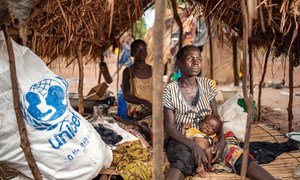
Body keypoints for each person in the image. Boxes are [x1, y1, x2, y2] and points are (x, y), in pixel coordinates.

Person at [163, 45, 275, 180]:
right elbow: (169, 127)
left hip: (210, 137)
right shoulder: (170, 90)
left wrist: (221, 141)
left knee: (238, 155)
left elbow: (217, 118)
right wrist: (193, 145)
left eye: (198, 59)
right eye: (190, 58)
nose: (196, 62)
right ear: (179, 63)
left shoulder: (207, 85)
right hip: (183, 139)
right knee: (182, 159)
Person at [121, 39, 152, 140]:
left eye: (144, 49)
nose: (142, 51)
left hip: (152, 105)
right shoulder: (128, 71)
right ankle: (144, 128)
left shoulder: (153, 70)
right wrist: (146, 103)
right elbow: (126, 96)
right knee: (146, 113)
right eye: (138, 50)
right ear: (132, 53)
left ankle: (144, 128)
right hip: (135, 105)